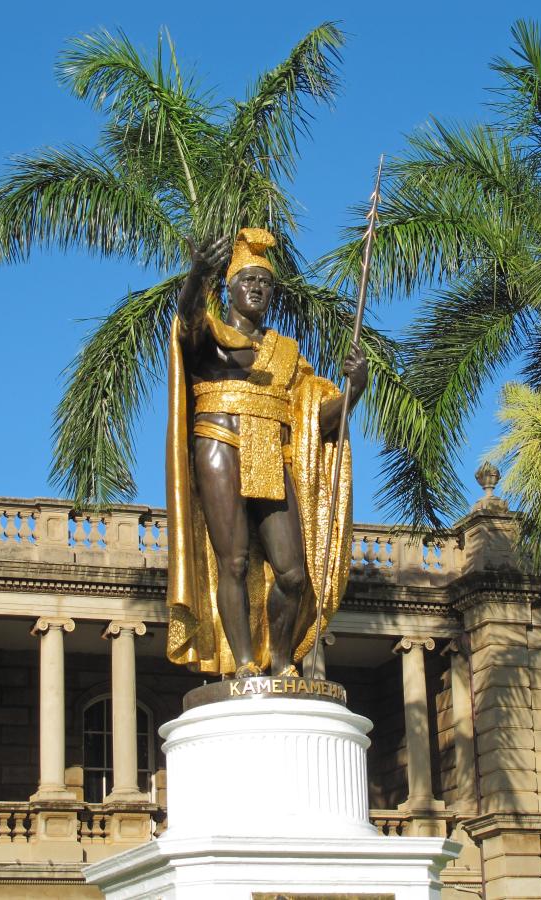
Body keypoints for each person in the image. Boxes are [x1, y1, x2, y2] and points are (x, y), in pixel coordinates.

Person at [165, 228, 368, 678]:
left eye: (265, 282)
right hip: (218, 443)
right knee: (232, 561)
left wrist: (353, 390)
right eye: (248, 280)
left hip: (272, 453)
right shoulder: (211, 335)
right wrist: (197, 276)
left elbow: (318, 420)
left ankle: (279, 660)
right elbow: (189, 320)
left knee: (293, 574)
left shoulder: (286, 354)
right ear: (230, 289)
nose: (257, 288)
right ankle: (241, 664)